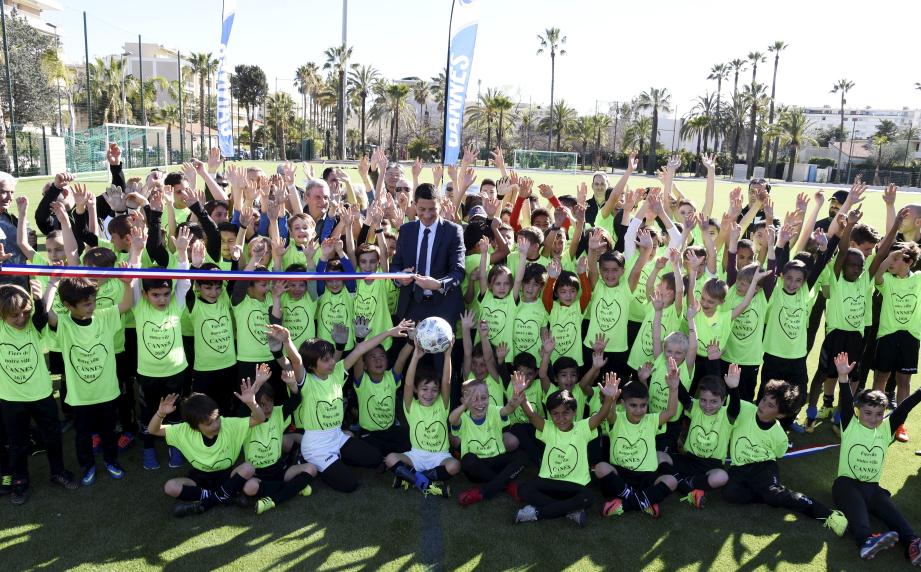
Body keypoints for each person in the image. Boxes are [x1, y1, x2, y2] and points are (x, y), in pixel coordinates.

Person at [722, 377, 848, 536]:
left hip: (764, 467)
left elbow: (778, 453)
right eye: (763, 400)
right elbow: (732, 406)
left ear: (780, 414)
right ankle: (766, 496)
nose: (762, 405)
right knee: (729, 493)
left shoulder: (779, 435)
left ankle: (827, 514)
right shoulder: (744, 409)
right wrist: (733, 387)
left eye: (770, 405)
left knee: (774, 493)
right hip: (738, 468)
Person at [831, 352, 921, 563]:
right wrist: (843, 378)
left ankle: (913, 544)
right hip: (846, 486)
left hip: (873, 489)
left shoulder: (887, 429)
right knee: (859, 516)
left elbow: (905, 407)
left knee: (896, 517)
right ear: (858, 411)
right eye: (868, 413)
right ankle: (866, 541)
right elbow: (845, 401)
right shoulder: (850, 425)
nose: (874, 418)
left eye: (879, 414)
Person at [0, 283, 79, 504]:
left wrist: (51, 284)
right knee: (17, 443)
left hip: (42, 395)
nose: (20, 319)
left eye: (24, 313)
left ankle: (58, 472)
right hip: (11, 399)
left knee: (52, 435)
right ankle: (20, 481)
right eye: (14, 316)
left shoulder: (35, 326)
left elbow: (43, 308)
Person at [513, 371, 619, 526]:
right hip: (549, 482)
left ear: (575, 412)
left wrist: (609, 399)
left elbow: (602, 415)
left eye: (566, 413)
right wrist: (521, 394)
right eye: (555, 414)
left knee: (587, 497)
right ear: (550, 415)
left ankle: (536, 512)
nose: (561, 418)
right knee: (523, 489)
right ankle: (571, 511)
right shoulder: (548, 428)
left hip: (575, 485)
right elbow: (531, 414)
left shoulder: (583, 428)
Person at [150, 379, 265, 517]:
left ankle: (206, 504)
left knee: (248, 468)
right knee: (170, 487)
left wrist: (252, 403)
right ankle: (224, 495)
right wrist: (160, 414)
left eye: (217, 418)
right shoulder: (184, 431)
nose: (216, 424)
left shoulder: (229, 425)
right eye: (210, 423)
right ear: (195, 427)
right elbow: (154, 430)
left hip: (226, 476)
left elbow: (259, 419)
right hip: (199, 480)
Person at [595, 360, 679, 518]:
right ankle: (645, 501)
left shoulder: (651, 420)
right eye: (633, 405)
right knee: (600, 467)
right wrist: (609, 399)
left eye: (643, 405)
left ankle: (625, 503)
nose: (639, 410)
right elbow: (609, 413)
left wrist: (673, 388)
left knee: (671, 480)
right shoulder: (616, 419)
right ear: (623, 403)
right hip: (621, 475)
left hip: (646, 477)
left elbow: (671, 412)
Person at [385, 337, 459, 497]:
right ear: (417, 390)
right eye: (424, 389)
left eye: (434, 390)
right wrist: (416, 357)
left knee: (454, 466)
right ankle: (429, 484)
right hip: (416, 455)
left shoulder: (442, 405)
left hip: (440, 456)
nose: (429, 394)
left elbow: (446, 381)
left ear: (439, 392)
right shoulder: (411, 406)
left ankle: (409, 478)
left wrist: (447, 356)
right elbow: (408, 384)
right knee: (390, 458)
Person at [390, 183, 466, 324]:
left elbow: (459, 271)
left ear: (441, 205)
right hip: (412, 305)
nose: (427, 215)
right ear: (414, 205)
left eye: (432, 209)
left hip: (444, 307)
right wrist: (399, 277)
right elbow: (395, 265)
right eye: (422, 209)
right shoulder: (406, 231)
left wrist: (439, 284)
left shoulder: (453, 231)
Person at [451, 378, 527, 507]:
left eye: (484, 397)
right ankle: (506, 484)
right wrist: (464, 407)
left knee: (522, 458)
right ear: (465, 401)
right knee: (468, 460)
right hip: (477, 467)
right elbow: (452, 420)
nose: (480, 403)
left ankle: (483, 491)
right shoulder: (463, 417)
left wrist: (514, 401)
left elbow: (507, 409)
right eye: (474, 399)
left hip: (496, 460)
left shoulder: (494, 411)